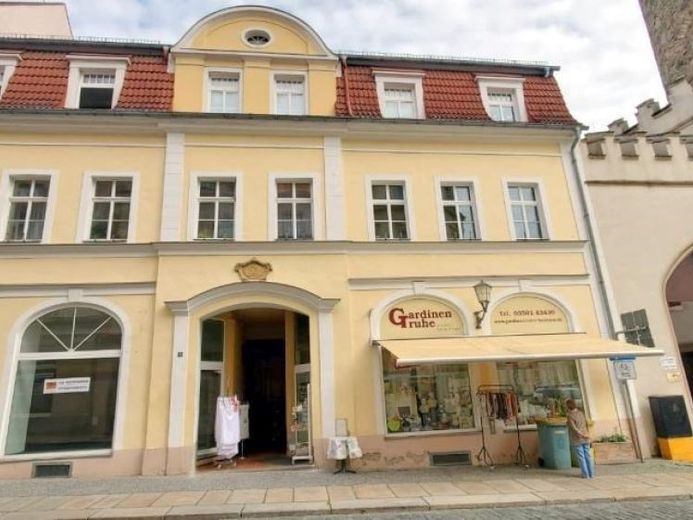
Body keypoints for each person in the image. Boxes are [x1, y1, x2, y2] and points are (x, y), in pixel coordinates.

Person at [566, 399, 594, 478]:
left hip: (577, 438)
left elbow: (574, 429)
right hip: (586, 437)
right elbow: (586, 424)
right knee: (588, 456)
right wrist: (587, 435)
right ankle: (591, 474)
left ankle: (585, 475)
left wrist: (582, 435)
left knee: (581, 457)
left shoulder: (570, 416)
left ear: (568, 406)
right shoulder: (581, 413)